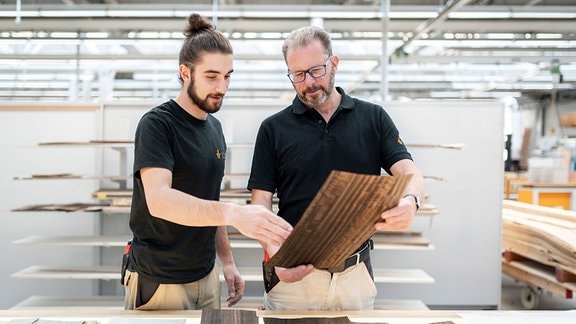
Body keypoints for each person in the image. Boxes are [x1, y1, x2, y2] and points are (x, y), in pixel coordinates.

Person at [248, 25, 425, 310]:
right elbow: (260, 205)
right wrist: (274, 253)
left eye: (316, 70)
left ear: (334, 63)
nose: (308, 83)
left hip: (355, 275)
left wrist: (411, 201)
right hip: (294, 278)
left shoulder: (373, 118)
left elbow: (410, 173)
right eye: (298, 75)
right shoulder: (273, 129)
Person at [122, 13, 293, 311]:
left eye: (227, 76)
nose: (222, 87)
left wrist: (227, 261)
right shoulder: (157, 125)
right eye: (211, 76)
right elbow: (160, 200)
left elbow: (209, 201)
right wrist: (236, 214)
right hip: (160, 278)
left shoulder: (214, 128)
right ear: (185, 72)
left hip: (205, 275)